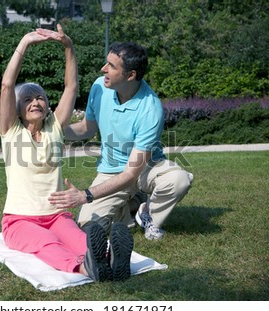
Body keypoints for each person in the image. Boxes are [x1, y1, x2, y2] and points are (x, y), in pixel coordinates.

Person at [0, 24, 134, 282]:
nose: (36, 101)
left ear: (47, 106)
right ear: (17, 108)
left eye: (40, 97)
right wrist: (24, 44)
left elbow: (71, 87)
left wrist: (69, 47)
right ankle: (86, 268)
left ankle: (113, 261)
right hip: (19, 221)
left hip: (57, 216)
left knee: (81, 239)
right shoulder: (10, 132)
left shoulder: (54, 129)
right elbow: (7, 85)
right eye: (27, 99)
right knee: (48, 245)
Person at [48, 41, 194, 240]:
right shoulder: (100, 86)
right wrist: (54, 131)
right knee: (88, 228)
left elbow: (131, 173)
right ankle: (133, 206)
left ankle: (148, 214)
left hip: (145, 168)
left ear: (130, 75)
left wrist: (86, 195)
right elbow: (86, 128)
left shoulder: (150, 109)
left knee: (178, 180)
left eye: (111, 66)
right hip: (110, 170)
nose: (103, 69)